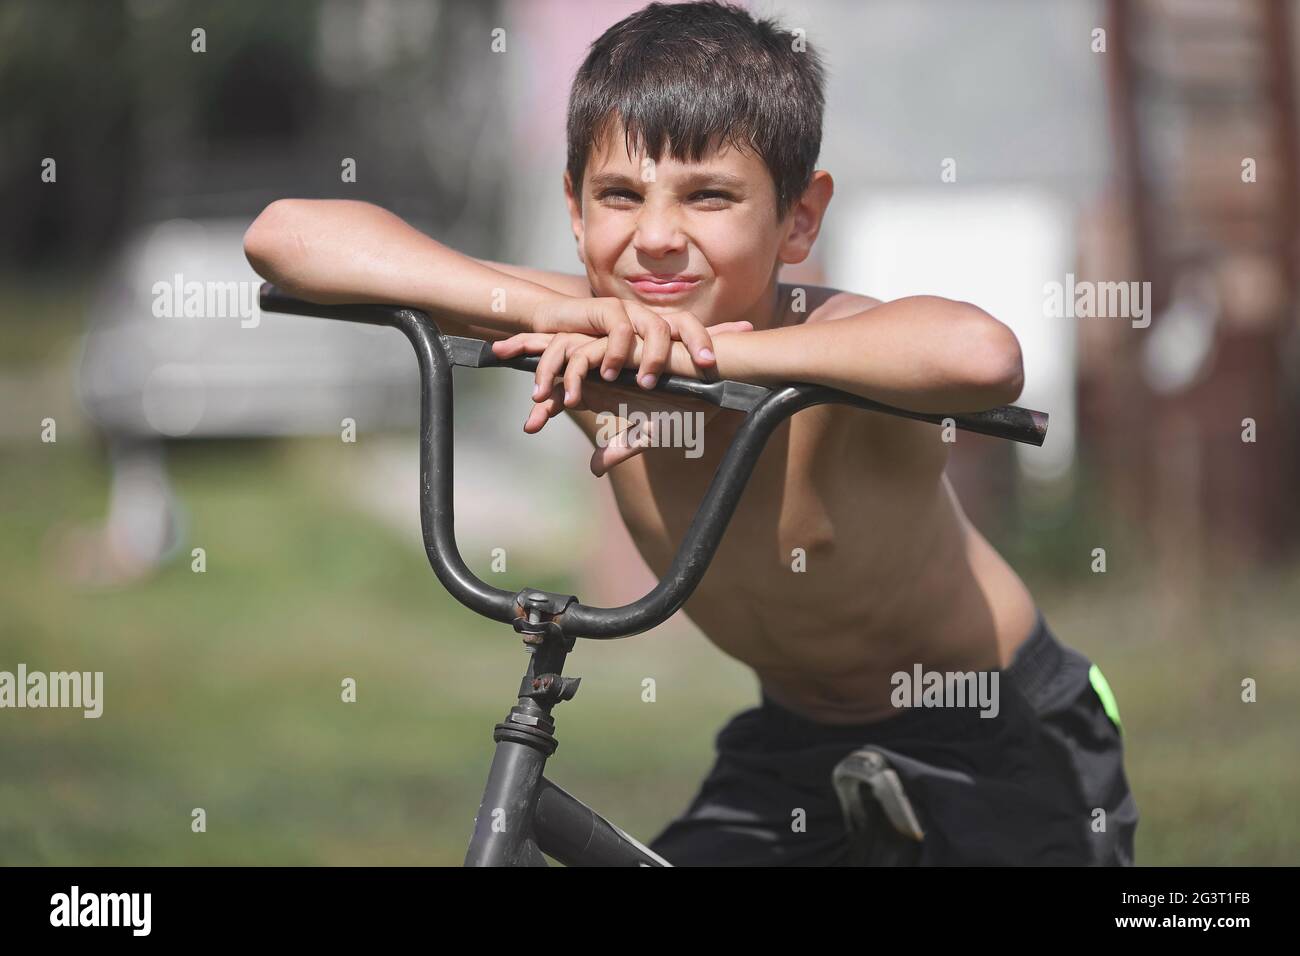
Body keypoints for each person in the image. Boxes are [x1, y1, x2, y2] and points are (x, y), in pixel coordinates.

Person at [243, 0, 1137, 865]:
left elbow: (983, 355)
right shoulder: (587, 321)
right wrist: (560, 312)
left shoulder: (831, 345)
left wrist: (704, 358)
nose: (657, 236)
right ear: (574, 207)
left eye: (709, 196)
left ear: (799, 218)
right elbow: (287, 236)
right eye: (620, 195)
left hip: (997, 726)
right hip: (795, 742)